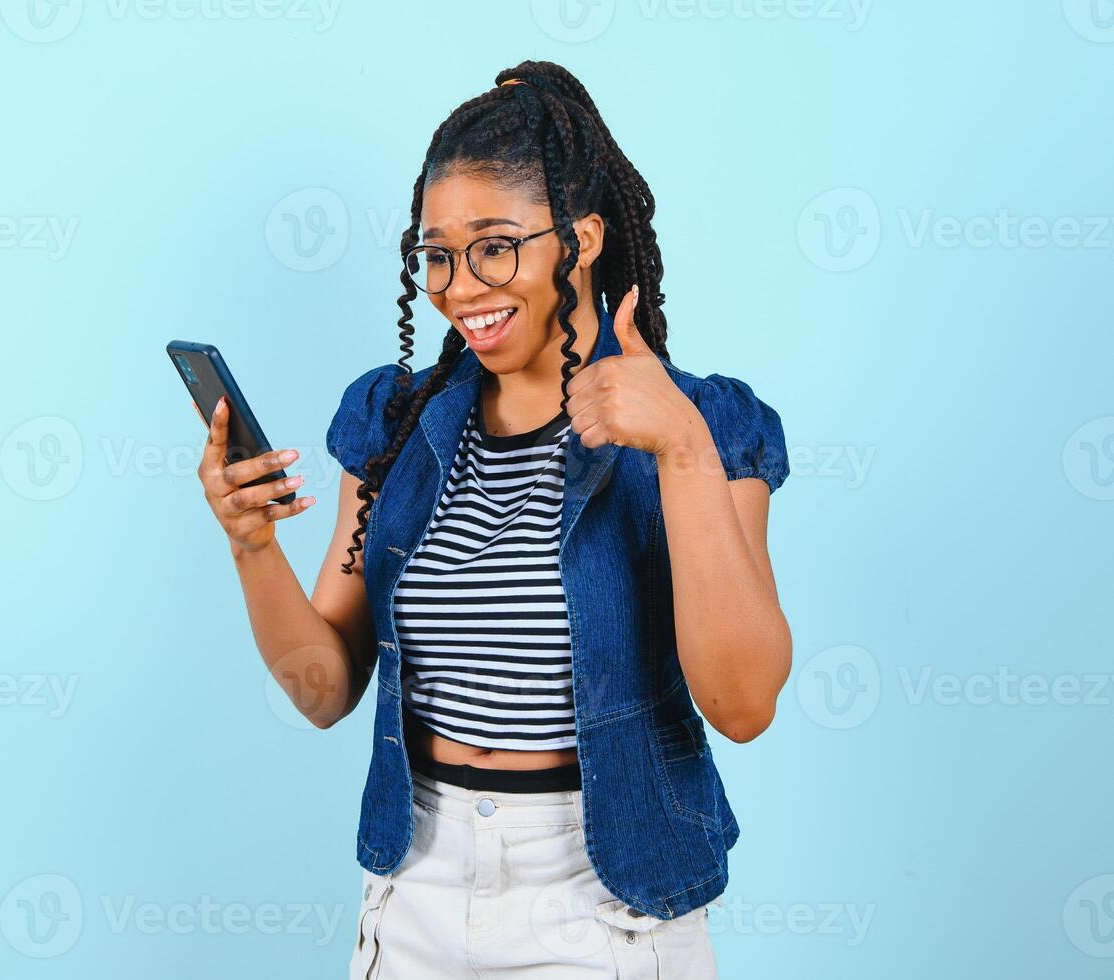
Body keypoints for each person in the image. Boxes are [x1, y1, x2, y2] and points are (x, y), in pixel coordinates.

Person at [198, 60, 791, 978]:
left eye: (494, 245)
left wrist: (677, 450)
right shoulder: (395, 425)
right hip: (415, 893)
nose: (460, 285)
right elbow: (323, 691)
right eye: (434, 254)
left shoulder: (703, 422)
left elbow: (744, 704)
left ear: (581, 239)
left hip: (603, 904)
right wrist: (251, 547)